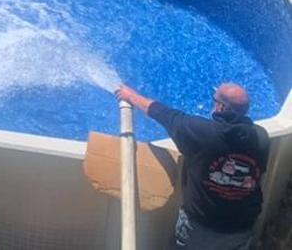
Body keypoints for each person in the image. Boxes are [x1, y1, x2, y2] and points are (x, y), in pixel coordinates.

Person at [115, 82, 269, 249]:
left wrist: (130, 96)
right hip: (241, 229)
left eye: (214, 100)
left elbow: (164, 114)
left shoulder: (203, 133)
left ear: (221, 107)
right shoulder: (261, 137)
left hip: (199, 227)